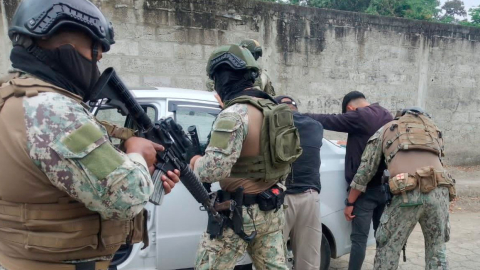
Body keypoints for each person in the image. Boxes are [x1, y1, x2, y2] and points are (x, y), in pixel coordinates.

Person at [0, 1, 180, 270]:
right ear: (67, 49)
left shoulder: (12, 97)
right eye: (95, 51)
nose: (99, 60)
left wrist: (126, 158)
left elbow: (58, 169)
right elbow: (127, 197)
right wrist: (137, 154)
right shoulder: (52, 110)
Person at [191, 44, 301, 270]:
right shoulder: (271, 108)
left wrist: (194, 160)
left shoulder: (233, 114)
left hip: (239, 214)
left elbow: (212, 170)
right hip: (271, 209)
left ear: (221, 77)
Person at [348, 107, 455, 270]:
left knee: (388, 249)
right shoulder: (434, 131)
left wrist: (350, 201)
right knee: (437, 250)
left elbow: (365, 171)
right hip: (439, 190)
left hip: (407, 192)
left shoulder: (388, 129)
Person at [304, 91, 393, 270]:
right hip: (384, 187)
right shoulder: (386, 115)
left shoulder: (359, 116)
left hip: (363, 191)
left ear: (350, 108)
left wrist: (297, 115)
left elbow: (328, 119)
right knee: (383, 236)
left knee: (358, 240)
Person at [275, 95, 324, 270]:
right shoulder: (316, 126)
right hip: (310, 198)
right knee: (309, 261)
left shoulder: (273, 124)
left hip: (281, 199)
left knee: (272, 258)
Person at [206, 39, 275, 96]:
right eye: (254, 54)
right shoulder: (228, 70)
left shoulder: (262, 74)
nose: (255, 58)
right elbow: (211, 88)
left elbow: (270, 96)